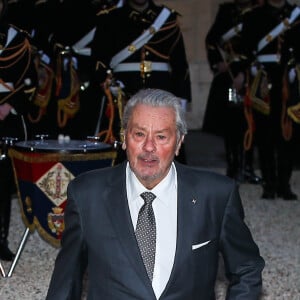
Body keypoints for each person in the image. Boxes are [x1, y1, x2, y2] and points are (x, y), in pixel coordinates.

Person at [46, 88, 265, 299]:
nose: (149, 147)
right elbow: (67, 281)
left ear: (179, 143)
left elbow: (246, 268)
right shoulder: (87, 195)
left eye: (161, 137)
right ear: (124, 138)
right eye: (139, 134)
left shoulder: (216, 195)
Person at [89, 0, 191, 163]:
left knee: (165, 140)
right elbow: (98, 60)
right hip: (125, 89)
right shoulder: (111, 18)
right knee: (123, 140)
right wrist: (108, 82)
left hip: (161, 89)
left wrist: (181, 98)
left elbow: (180, 64)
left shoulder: (167, 18)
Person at [241, 0, 299, 200]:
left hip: (288, 77)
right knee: (265, 134)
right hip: (263, 78)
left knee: (288, 134)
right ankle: (269, 183)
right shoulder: (254, 16)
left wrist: (296, 68)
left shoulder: (295, 13)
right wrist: (251, 66)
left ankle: (284, 183)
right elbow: (245, 47)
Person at [202, 0, 262, 184]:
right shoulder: (227, 11)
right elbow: (211, 40)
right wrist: (218, 63)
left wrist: (245, 73)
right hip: (228, 75)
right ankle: (233, 167)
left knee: (251, 122)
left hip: (252, 75)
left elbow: (258, 46)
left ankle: (249, 168)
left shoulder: (259, 11)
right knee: (231, 121)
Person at [0, 0, 37, 260]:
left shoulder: (18, 40)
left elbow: (31, 84)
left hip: (7, 119)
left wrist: (8, 105)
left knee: (1, 183)